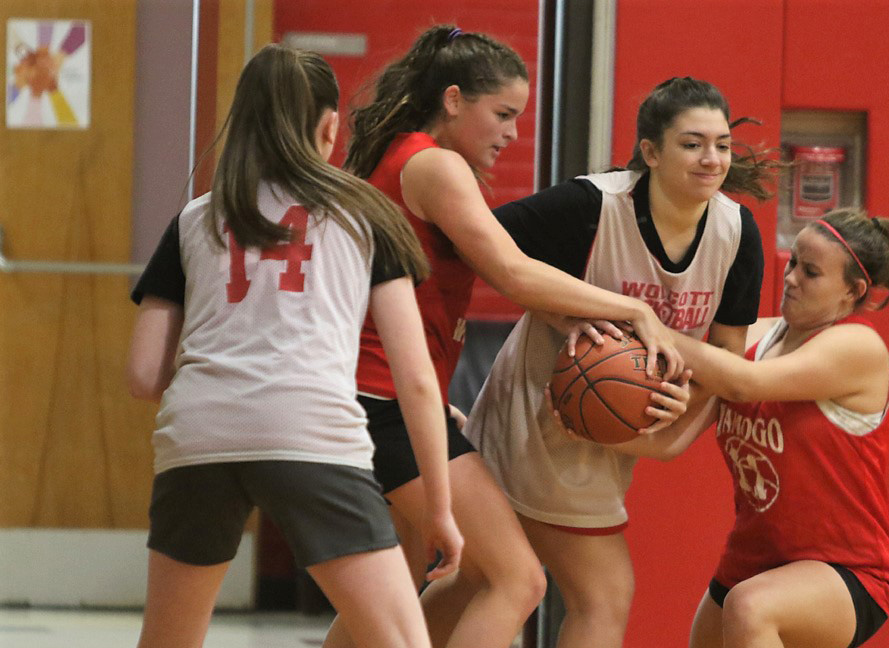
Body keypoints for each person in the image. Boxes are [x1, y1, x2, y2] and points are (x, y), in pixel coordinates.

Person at [326, 25, 684, 648]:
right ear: (455, 99)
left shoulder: (399, 156)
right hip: (385, 404)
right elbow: (512, 270)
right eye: (503, 114)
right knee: (517, 580)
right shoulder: (434, 164)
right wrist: (634, 310)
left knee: (388, 597)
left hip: (374, 399)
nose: (514, 133)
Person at [125, 44, 462, 648]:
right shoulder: (367, 215)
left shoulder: (194, 220)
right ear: (330, 126)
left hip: (199, 435)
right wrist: (439, 509)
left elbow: (144, 375)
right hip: (312, 434)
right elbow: (416, 380)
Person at [461, 77, 778, 648]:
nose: (712, 159)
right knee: (602, 595)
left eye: (723, 145)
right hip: (536, 417)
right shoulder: (590, 205)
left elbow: (727, 358)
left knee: (478, 585)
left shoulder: (736, 232)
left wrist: (687, 402)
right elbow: (483, 247)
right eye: (692, 144)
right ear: (650, 152)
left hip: (608, 436)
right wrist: (564, 317)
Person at [658, 209, 889, 648]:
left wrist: (649, 326)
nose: (790, 278)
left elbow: (743, 381)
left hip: (847, 569)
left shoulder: (858, 345)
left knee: (751, 608)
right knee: (729, 618)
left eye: (810, 273)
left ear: (853, 291)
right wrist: (586, 424)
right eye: (793, 262)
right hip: (754, 558)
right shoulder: (753, 338)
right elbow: (666, 443)